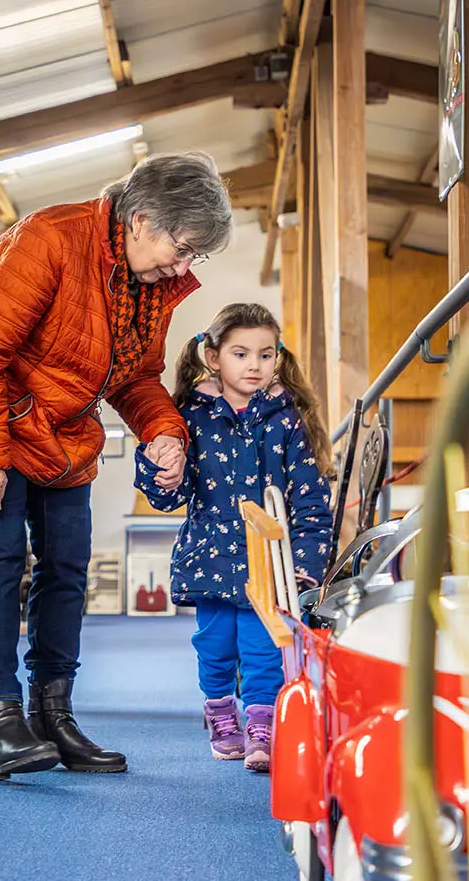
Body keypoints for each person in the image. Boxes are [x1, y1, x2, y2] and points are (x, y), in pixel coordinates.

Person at [0, 150, 235, 781]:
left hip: (63, 431)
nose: (182, 266)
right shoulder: (46, 240)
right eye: (181, 248)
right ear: (141, 220)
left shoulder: (148, 282)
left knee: (67, 565)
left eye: (193, 258)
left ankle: (52, 714)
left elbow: (138, 376)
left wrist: (163, 431)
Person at [135, 302, 334, 772]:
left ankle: (262, 724)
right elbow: (171, 497)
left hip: (269, 563)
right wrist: (157, 470)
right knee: (215, 645)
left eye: (266, 355)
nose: (255, 365)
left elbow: (310, 500)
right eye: (241, 354)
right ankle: (221, 712)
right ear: (214, 356)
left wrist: (304, 565)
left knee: (264, 646)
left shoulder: (287, 419)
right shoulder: (190, 417)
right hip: (210, 557)